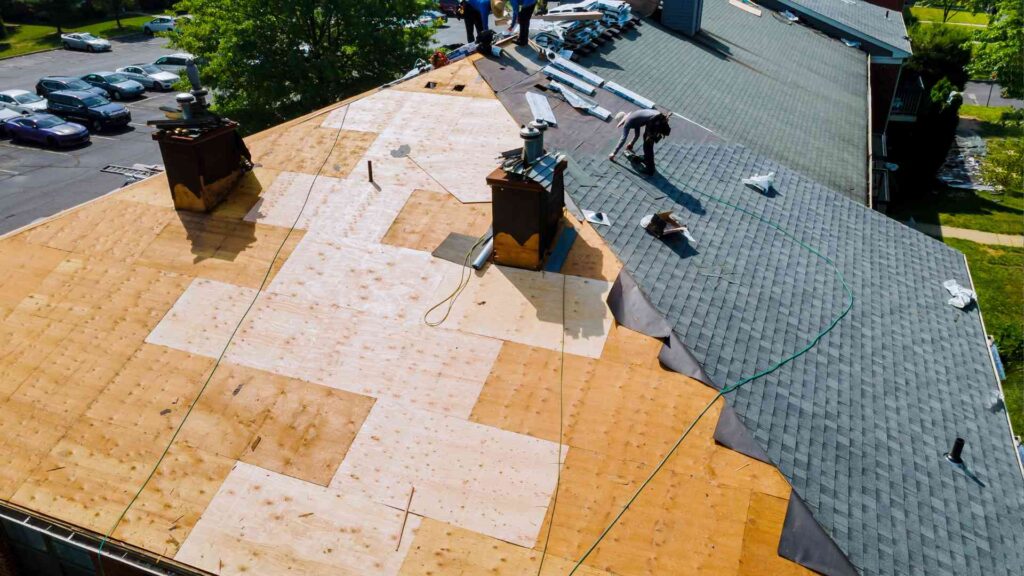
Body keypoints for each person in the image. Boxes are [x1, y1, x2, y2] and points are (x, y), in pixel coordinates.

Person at [609, 109, 671, 175]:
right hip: (660, 118)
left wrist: (614, 153)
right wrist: (631, 144)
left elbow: (623, 139)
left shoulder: (627, 123)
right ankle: (647, 158)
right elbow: (637, 134)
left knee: (647, 145)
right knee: (646, 139)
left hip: (655, 120)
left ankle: (650, 169)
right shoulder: (633, 117)